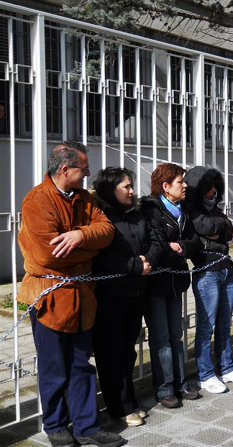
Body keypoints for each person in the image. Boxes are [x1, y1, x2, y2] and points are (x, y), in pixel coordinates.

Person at [17, 142, 123, 447]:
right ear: (66, 170)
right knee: (53, 368)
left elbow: (106, 231)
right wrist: (89, 250)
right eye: (84, 168)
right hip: (49, 296)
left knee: (81, 365)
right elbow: (48, 255)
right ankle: (55, 427)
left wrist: (80, 235)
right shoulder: (37, 201)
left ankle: (87, 427)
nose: (88, 173)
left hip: (81, 296)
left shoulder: (84, 198)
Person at [91, 167, 162, 426]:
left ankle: (129, 399)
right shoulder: (100, 216)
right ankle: (119, 407)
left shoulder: (137, 213)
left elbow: (156, 242)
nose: (132, 191)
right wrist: (134, 265)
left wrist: (147, 262)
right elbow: (102, 253)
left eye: (131, 186)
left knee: (127, 351)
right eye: (126, 187)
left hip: (135, 291)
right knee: (111, 352)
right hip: (110, 295)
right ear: (111, 190)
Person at [183, 166, 233, 394]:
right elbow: (205, 226)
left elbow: (228, 231)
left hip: (225, 269)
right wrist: (219, 227)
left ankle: (227, 367)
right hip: (207, 273)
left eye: (215, 186)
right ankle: (205, 374)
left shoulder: (215, 208)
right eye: (208, 187)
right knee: (206, 327)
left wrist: (220, 228)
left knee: (224, 323)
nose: (213, 191)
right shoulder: (191, 209)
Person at [141, 163, 199, 408]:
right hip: (156, 282)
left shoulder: (184, 209)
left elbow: (195, 241)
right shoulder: (150, 209)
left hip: (177, 280)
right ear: (165, 186)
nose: (185, 185)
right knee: (161, 338)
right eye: (180, 182)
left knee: (176, 335)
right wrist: (169, 247)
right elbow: (152, 244)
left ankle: (181, 383)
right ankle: (164, 388)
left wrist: (181, 246)